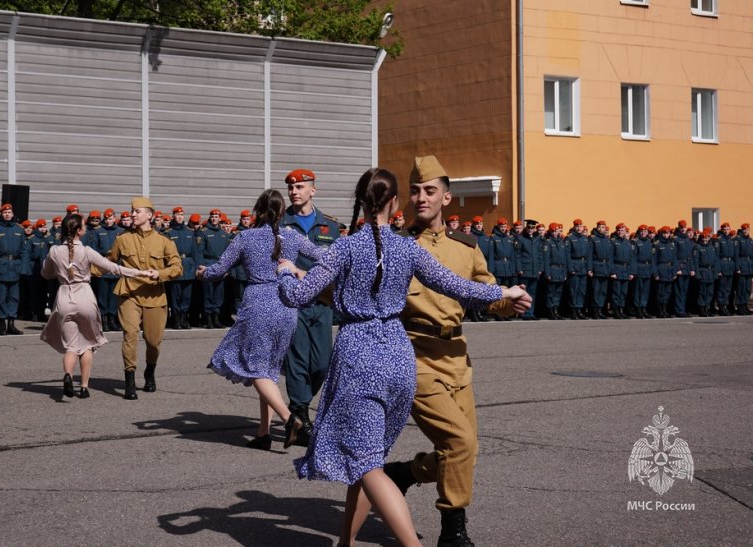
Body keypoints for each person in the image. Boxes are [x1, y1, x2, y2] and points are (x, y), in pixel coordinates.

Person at [276, 167, 530, 547]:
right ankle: (345, 542)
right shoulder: (408, 247)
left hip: (360, 354)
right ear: (395, 203)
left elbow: (297, 296)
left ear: (360, 202)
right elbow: (457, 286)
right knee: (368, 456)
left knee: (366, 463)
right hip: (399, 355)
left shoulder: (344, 247)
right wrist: (505, 293)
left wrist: (284, 272)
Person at [380, 156, 530, 547]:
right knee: (459, 444)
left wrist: (507, 305)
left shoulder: (466, 246)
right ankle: (453, 531)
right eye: (415, 191)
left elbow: (486, 291)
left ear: (447, 198)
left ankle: (407, 473)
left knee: (465, 450)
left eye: (429, 190)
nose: (420, 197)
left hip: (457, 356)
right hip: (415, 353)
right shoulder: (400, 247)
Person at [197, 189, 323, 449]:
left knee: (254, 367)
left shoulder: (246, 237)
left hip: (258, 305)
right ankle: (263, 433)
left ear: (258, 211)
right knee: (268, 369)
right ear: (281, 212)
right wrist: (299, 271)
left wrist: (202, 273)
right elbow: (323, 255)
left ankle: (291, 421)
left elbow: (219, 270)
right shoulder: (292, 236)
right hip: (287, 306)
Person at [40, 214, 149, 398]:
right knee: (88, 345)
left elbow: (45, 273)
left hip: (65, 296)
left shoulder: (54, 251)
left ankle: (67, 375)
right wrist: (141, 273)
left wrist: (60, 272)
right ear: (80, 231)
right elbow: (114, 268)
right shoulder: (87, 250)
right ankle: (83, 387)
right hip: (84, 296)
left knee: (71, 346)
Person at [280, 168, 340, 445]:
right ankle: (300, 414)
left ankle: (299, 407)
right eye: (291, 188)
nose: (294, 192)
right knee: (298, 360)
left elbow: (336, 265)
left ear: (313, 190)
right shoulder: (280, 225)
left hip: (323, 304)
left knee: (323, 364)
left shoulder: (330, 226)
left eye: (300, 187)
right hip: (294, 305)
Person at [107, 196, 182, 400]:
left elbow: (177, 268)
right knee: (130, 334)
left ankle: (150, 371)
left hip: (155, 296)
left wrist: (161, 274)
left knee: (153, 342)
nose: (132, 215)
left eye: (137, 212)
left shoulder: (164, 242)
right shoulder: (122, 239)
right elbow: (108, 262)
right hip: (129, 293)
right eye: (132, 211)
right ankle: (129, 381)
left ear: (149, 215)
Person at [0, 203, 31, 335]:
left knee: (14, 297)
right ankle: (2, 325)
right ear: (1, 214)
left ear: (13, 214)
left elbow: (25, 251)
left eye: (9, 212)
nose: (7, 214)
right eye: (5, 213)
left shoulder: (19, 229)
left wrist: (24, 268)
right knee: (1, 297)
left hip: (15, 267)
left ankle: (11, 325)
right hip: (1, 266)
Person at [165, 206, 201, 329]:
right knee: (176, 295)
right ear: (173, 216)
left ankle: (184, 319)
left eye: (182, 215)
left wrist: (197, 267)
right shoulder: (169, 233)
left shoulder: (190, 233)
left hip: (189, 266)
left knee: (186, 296)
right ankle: (176, 319)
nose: (180, 217)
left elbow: (196, 252)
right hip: (175, 265)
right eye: (177, 215)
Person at [92, 209, 124, 331]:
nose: (108, 221)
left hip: (115, 268)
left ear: (114, 218)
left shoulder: (120, 232)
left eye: (110, 219)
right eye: (106, 219)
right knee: (102, 296)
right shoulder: (98, 232)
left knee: (114, 296)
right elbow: (94, 250)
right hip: (103, 267)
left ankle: (112, 320)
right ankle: (103, 321)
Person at [198, 209, 231, 328]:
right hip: (208, 264)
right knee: (208, 293)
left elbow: (229, 254)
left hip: (220, 265)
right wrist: (201, 266)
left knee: (218, 293)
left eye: (216, 216)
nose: (214, 218)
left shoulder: (224, 234)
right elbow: (199, 251)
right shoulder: (204, 232)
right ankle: (208, 319)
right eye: (212, 216)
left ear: (220, 218)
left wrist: (227, 268)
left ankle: (216, 318)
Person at [565, 219, 592, 319]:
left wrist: (589, 268)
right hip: (575, 265)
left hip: (583, 267)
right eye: (577, 226)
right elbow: (567, 255)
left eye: (580, 226)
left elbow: (589, 255)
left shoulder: (585, 238)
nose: (579, 228)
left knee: (582, 290)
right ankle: (573, 310)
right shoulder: (570, 238)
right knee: (574, 290)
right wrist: (570, 268)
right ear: (574, 227)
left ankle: (579, 309)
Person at [653, 226, 679, 318]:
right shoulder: (657, 244)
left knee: (667, 292)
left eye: (667, 233)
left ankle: (665, 310)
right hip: (661, 269)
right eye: (664, 233)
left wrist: (675, 272)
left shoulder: (672, 244)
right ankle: (660, 311)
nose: (666, 235)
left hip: (670, 270)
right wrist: (655, 273)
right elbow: (654, 260)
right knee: (660, 292)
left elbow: (675, 259)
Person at [609, 222, 634, 319]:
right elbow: (610, 257)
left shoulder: (628, 243)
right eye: (618, 230)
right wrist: (612, 271)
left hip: (626, 269)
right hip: (617, 268)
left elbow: (631, 258)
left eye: (622, 230)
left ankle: (621, 310)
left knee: (623, 292)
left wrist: (631, 272)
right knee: (616, 291)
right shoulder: (613, 242)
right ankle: (615, 310)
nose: (620, 232)